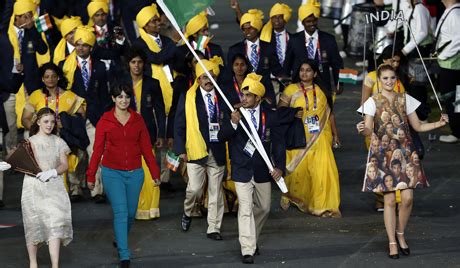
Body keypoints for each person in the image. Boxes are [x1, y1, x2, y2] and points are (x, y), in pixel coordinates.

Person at [357, 64, 449, 259]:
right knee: (389, 200)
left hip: (406, 151)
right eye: (385, 79)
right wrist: (362, 129)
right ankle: (392, 241)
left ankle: (400, 233)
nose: (389, 81)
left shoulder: (405, 99)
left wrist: (439, 124)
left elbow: (418, 126)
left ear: (396, 79)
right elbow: (368, 129)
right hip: (383, 152)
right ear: (379, 81)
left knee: (407, 198)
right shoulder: (372, 102)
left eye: (392, 78)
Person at [86, 84, 161, 267]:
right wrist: (91, 176)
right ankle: (124, 254)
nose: (123, 100)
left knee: (130, 213)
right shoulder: (105, 120)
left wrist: (154, 173)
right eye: (119, 96)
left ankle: (120, 239)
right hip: (112, 173)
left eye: (126, 96)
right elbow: (97, 151)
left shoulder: (138, 120)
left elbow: (146, 149)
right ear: (113, 99)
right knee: (121, 212)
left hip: (135, 173)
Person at [218, 73, 285, 264]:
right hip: (241, 169)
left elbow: (279, 143)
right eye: (243, 95)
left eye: (248, 96)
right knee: (245, 208)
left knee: (264, 207)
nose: (244, 99)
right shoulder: (235, 113)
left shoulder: (270, 116)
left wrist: (279, 166)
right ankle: (247, 248)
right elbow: (221, 136)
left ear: (258, 98)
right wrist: (232, 123)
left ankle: (251, 238)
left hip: (263, 170)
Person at [0, 107, 73, 268]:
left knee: (56, 221)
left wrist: (53, 172)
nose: (49, 125)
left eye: (52, 122)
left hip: (53, 185)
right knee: (33, 223)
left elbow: (64, 164)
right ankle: (33, 263)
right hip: (33, 187)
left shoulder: (59, 141)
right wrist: (8, 163)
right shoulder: (29, 142)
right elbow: (18, 159)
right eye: (46, 121)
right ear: (38, 121)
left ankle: (55, 265)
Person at [278, 60, 341, 217]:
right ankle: (297, 197)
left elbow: (330, 114)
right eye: (302, 70)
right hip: (298, 137)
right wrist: (292, 113)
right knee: (300, 172)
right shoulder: (291, 90)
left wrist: (335, 135)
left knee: (323, 171)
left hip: (320, 136)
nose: (304, 73)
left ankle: (324, 205)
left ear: (315, 73)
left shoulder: (322, 91)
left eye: (308, 70)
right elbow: (280, 111)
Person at [173, 56, 227, 240]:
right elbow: (179, 124)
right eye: (204, 77)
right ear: (198, 80)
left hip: (217, 150)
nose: (208, 80)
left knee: (215, 191)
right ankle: (188, 212)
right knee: (194, 189)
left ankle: (214, 228)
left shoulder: (223, 97)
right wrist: (180, 149)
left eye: (211, 76)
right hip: (195, 151)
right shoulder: (188, 97)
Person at [61, 25, 111, 202]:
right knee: (77, 154)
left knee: (97, 152)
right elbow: (62, 94)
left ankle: (97, 190)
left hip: (95, 117)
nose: (80, 48)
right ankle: (75, 187)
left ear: (91, 47)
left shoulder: (99, 67)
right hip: (73, 117)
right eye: (78, 44)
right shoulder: (65, 66)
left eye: (84, 45)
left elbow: (104, 94)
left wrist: (105, 117)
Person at [125, 48, 166, 220]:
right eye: (133, 62)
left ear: (144, 64)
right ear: (128, 64)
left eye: (139, 62)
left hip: (147, 134)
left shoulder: (153, 83)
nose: (136, 65)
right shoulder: (122, 84)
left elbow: (160, 111)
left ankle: (152, 207)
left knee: (149, 171)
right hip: (126, 134)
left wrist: (161, 134)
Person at [284, 0, 344, 95]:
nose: (312, 24)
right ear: (302, 22)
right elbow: (288, 62)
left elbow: (337, 64)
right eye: (308, 21)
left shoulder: (329, 39)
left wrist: (339, 83)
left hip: (323, 86)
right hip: (299, 86)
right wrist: (285, 80)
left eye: (314, 20)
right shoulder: (294, 40)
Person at [227, 9, 285, 105]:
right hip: (244, 94)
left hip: (266, 94)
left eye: (250, 28)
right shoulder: (235, 49)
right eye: (244, 29)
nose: (247, 31)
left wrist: (288, 84)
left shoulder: (268, 47)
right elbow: (230, 73)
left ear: (257, 28)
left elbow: (276, 69)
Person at [435, 0, 460, 143]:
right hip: (449, 63)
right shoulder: (452, 11)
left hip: (452, 64)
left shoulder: (455, 13)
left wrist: (444, 54)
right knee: (455, 99)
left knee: (452, 99)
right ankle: (457, 130)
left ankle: (457, 131)